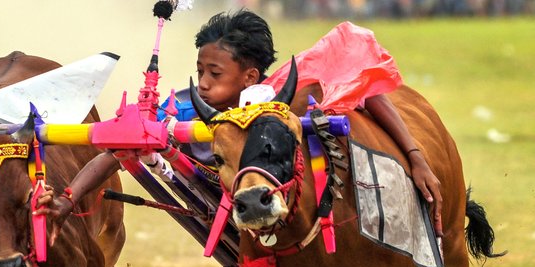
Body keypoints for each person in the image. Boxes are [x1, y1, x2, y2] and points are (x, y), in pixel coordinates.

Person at [36, 9, 442, 242]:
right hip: (238, 221)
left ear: (250, 77)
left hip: (303, 223)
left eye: (215, 73)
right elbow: (116, 148)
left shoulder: (282, 100)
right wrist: (67, 201)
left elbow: (364, 86)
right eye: (201, 71)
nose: (205, 83)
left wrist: (415, 157)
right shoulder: (179, 110)